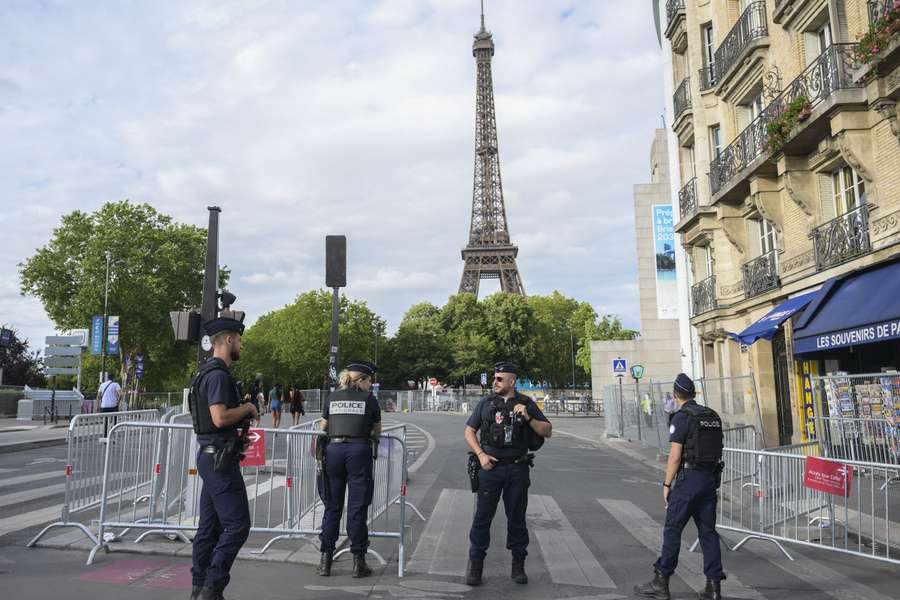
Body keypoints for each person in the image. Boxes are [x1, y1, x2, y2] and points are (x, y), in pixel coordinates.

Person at [634, 373, 725, 600]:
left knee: (673, 529)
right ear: (693, 393)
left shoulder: (682, 418)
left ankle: (661, 581)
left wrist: (666, 484)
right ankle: (713, 587)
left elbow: (675, 456)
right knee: (708, 532)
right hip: (709, 480)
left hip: (688, 481)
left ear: (676, 395)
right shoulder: (712, 416)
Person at [188, 317, 259, 600]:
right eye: (239, 340)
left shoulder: (205, 372)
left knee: (209, 526)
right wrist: (247, 408)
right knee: (238, 525)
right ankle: (212, 587)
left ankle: (199, 586)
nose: (241, 345)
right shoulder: (218, 375)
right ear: (229, 340)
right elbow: (219, 418)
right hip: (219, 459)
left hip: (211, 457)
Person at [464, 362, 552, 587]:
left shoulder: (525, 403)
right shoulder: (485, 403)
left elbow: (547, 430)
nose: (494, 382)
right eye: (494, 378)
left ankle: (518, 564)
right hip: (490, 469)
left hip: (517, 469)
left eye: (499, 379)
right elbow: (469, 431)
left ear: (512, 382)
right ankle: (475, 565)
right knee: (482, 518)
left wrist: (528, 418)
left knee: (517, 519)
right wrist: (481, 454)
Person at [317, 360, 381, 578]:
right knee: (357, 508)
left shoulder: (333, 397)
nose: (370, 385)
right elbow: (377, 430)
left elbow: (323, 426)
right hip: (359, 451)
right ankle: (358, 562)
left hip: (334, 451)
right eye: (369, 381)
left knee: (332, 507)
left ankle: (325, 561)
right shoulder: (369, 400)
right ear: (360, 380)